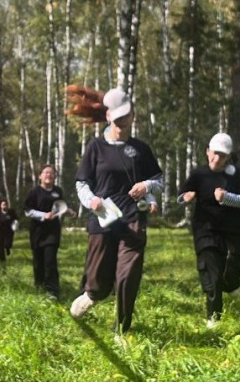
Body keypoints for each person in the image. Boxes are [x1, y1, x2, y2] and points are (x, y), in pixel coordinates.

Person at [66, 85, 162, 336]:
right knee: (99, 280)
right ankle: (92, 294)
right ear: (108, 116)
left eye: (126, 115)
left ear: (132, 115)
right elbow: (82, 183)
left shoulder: (141, 149)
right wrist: (91, 201)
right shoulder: (96, 147)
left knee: (128, 275)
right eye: (117, 116)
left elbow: (157, 181)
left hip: (133, 219)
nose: (122, 120)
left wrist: (147, 188)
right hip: (103, 220)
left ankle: (122, 328)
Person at [177, 133, 240, 328]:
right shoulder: (199, 174)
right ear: (207, 152)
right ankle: (214, 318)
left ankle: (232, 284)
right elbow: (181, 195)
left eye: (222, 155)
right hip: (206, 229)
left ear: (228, 157)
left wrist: (227, 198)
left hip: (232, 231)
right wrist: (186, 197)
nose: (217, 159)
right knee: (212, 273)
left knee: (230, 271)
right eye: (214, 154)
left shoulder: (236, 175)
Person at [23, 164, 75, 300]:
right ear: (40, 176)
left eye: (52, 173)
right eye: (46, 172)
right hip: (37, 232)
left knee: (50, 260)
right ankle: (39, 286)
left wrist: (69, 211)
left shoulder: (58, 191)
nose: (49, 175)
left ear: (55, 177)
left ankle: (52, 291)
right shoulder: (34, 192)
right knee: (38, 261)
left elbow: (61, 206)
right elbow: (27, 210)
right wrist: (42, 215)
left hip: (53, 231)